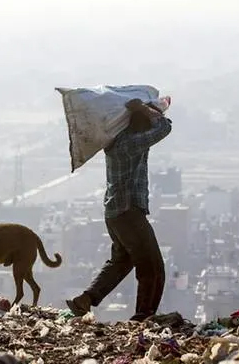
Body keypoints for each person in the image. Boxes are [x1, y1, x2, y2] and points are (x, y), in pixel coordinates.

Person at [66, 98, 172, 322]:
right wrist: (145, 109)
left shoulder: (118, 141)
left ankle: (85, 300)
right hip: (128, 212)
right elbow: (164, 127)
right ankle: (144, 316)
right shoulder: (130, 144)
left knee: (122, 261)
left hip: (115, 214)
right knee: (152, 267)